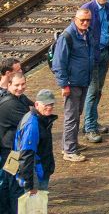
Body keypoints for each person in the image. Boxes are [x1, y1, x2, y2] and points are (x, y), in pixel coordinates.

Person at [50, 8, 95, 162]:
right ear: (75, 19)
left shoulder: (87, 33)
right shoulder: (67, 36)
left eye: (88, 20)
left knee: (77, 114)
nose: (85, 23)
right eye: (82, 20)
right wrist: (64, 85)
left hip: (83, 80)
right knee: (71, 116)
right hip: (73, 83)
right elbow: (58, 63)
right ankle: (69, 150)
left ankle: (70, 143)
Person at [80, 0, 109, 144]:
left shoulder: (108, 7)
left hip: (104, 52)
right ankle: (89, 127)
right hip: (91, 56)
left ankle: (92, 120)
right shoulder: (87, 9)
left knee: (99, 90)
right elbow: (80, 32)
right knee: (92, 91)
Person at [10, 90, 55, 214]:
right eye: (46, 105)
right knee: (35, 208)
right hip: (37, 174)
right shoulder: (32, 124)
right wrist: (31, 185)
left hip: (40, 170)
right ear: (36, 105)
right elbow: (26, 156)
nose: (49, 107)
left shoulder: (38, 118)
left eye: (51, 104)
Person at [0, 72, 32, 213]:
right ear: (8, 85)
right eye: (16, 85)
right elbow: (31, 120)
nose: (20, 88)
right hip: (10, 152)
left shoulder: (19, 98)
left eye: (23, 84)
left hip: (12, 148)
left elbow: (34, 107)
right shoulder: (10, 104)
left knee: (8, 184)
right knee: (15, 186)